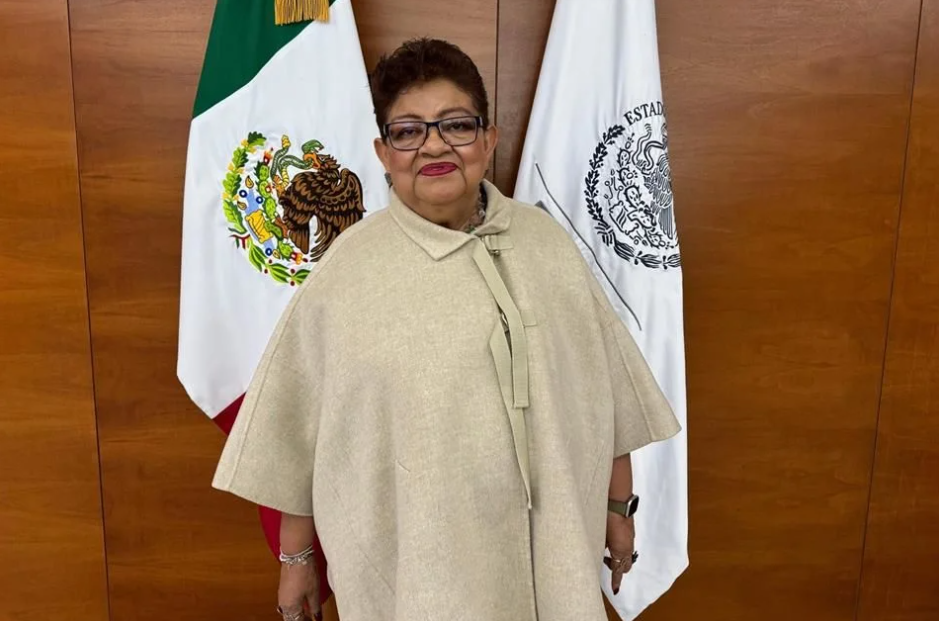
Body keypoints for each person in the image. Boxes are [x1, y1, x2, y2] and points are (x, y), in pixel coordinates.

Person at [213, 38, 680, 621]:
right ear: (383, 152)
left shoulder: (548, 246)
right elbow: (299, 439)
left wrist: (618, 509)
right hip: (422, 573)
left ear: (489, 139)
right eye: (408, 131)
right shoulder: (346, 275)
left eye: (456, 125)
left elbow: (605, 398)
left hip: (556, 555)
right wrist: (296, 560)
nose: (434, 145)